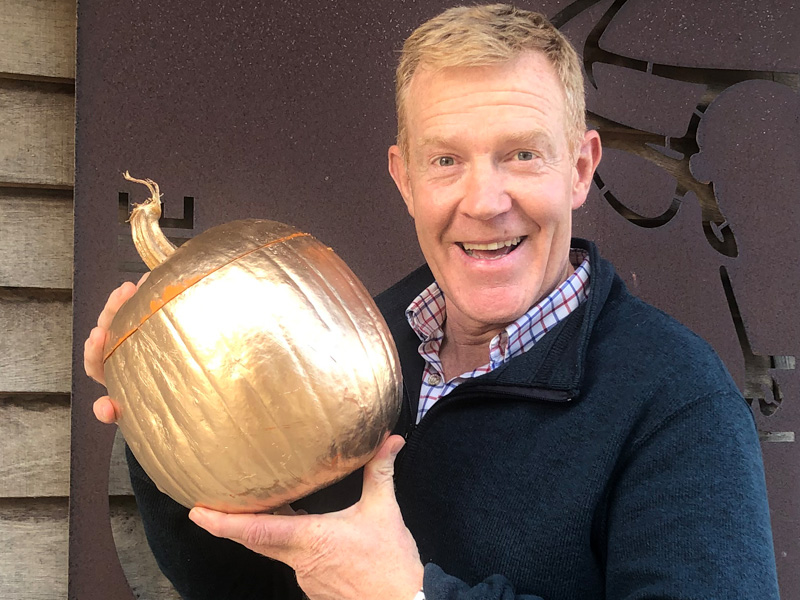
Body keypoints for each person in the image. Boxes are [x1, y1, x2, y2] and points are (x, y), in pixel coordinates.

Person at [84, 5, 780, 599]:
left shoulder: (676, 403)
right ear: (404, 177)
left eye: (521, 155)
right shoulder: (359, 342)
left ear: (580, 167)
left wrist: (408, 594)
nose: (483, 201)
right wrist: (166, 411)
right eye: (446, 160)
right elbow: (235, 584)